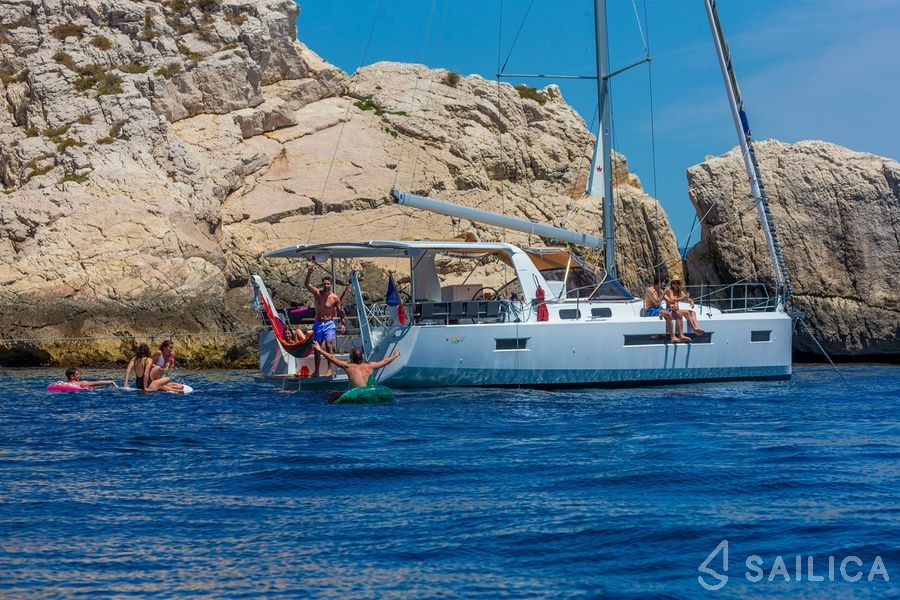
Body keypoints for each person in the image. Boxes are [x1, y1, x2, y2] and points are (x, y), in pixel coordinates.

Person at [305, 265, 346, 377]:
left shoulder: (335, 298)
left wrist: (342, 323)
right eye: (324, 284)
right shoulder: (317, 293)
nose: (326, 286)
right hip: (318, 323)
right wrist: (309, 273)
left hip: (329, 324)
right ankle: (317, 371)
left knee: (328, 345)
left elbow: (340, 311)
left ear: (331, 284)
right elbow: (307, 285)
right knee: (316, 347)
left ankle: (329, 369)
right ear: (322, 284)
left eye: (328, 284)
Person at [643, 276, 677, 341]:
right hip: (651, 310)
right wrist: (663, 293)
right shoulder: (650, 290)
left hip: (659, 309)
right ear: (659, 282)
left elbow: (669, 300)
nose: (663, 284)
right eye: (663, 282)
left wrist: (675, 303)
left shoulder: (660, 290)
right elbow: (656, 302)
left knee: (677, 312)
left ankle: (679, 334)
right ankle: (672, 337)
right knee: (668, 314)